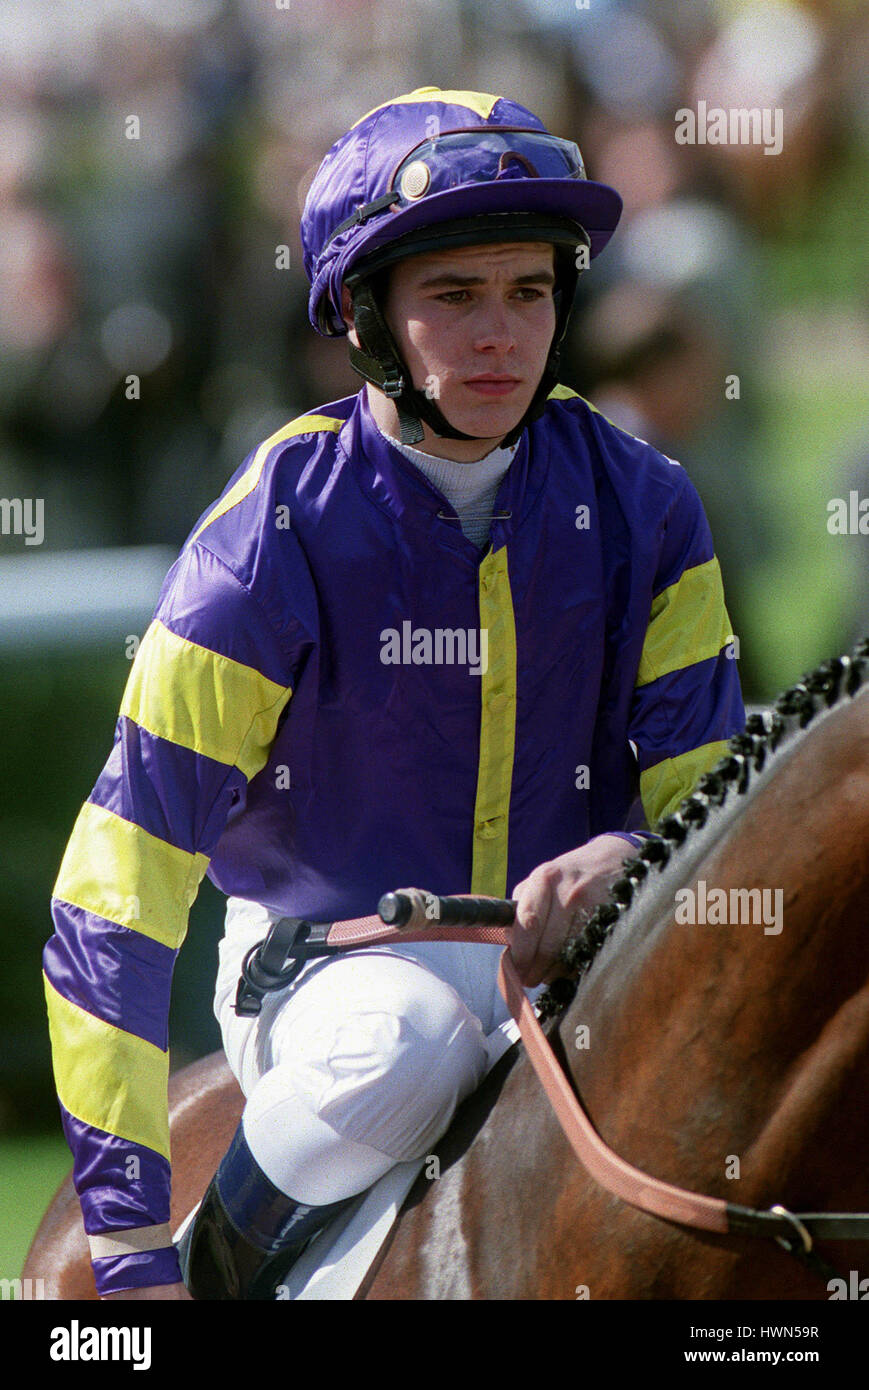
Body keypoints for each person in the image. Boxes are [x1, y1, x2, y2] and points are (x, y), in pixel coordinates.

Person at [42, 87, 745, 1301]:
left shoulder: (648, 504)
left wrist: (628, 852)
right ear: (364, 319)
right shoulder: (266, 539)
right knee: (403, 1044)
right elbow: (113, 900)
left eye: (528, 292)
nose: (499, 337)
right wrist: (123, 1243)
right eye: (452, 296)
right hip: (327, 982)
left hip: (586, 960)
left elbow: (711, 821)